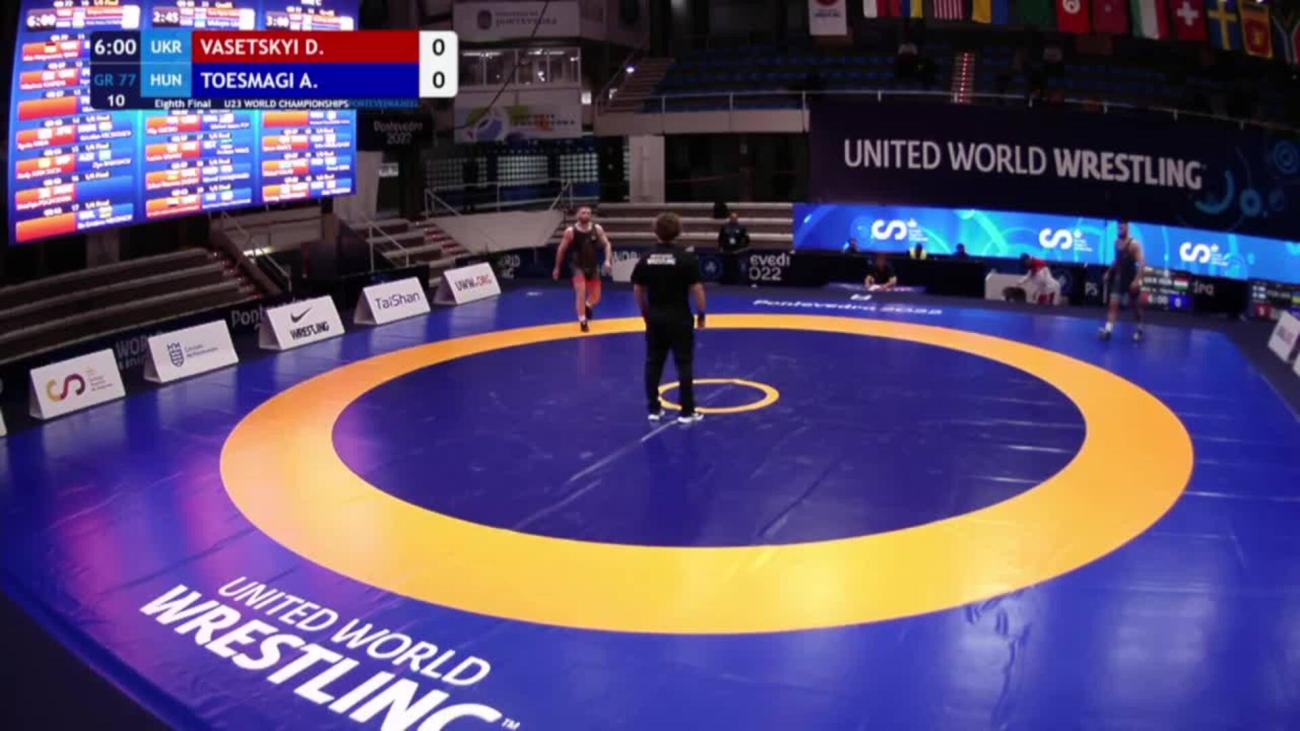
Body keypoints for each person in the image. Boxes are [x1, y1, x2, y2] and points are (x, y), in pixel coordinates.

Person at [632, 212, 707, 424]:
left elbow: (638, 289)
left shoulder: (646, 258)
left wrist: (645, 312)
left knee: (653, 363)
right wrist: (701, 314)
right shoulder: (686, 258)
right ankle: (687, 412)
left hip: (656, 317)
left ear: (655, 231)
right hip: (680, 317)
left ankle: (654, 409)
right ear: (678, 232)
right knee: (684, 362)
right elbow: (698, 289)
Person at [552, 206, 612, 332]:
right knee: (581, 292)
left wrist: (607, 260)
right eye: (583, 212)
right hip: (577, 266)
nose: (586, 215)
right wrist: (557, 267)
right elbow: (561, 250)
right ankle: (582, 320)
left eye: (588, 213)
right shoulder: (570, 231)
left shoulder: (597, 229)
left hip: (593, 266)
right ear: (577, 215)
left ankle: (587, 305)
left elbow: (607, 244)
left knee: (596, 296)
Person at [1099, 220, 1146, 341]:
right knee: (1113, 305)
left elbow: (1142, 263)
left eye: (1122, 227)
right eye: (1118, 228)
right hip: (1120, 279)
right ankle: (1108, 330)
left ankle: (1139, 329)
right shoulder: (1117, 243)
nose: (1120, 229)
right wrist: (1109, 272)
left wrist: (1137, 280)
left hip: (1131, 279)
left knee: (1135, 308)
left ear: (1127, 228)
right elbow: (1117, 260)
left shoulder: (1134, 244)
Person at [717, 212, 750, 284]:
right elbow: (720, 238)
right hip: (726, 250)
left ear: (737, 218)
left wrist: (742, 248)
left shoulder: (741, 228)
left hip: (737, 251)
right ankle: (726, 280)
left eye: (735, 218)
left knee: (736, 266)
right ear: (730, 218)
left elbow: (747, 239)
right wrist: (720, 247)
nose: (733, 219)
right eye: (732, 218)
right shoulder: (724, 227)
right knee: (727, 266)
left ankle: (736, 281)